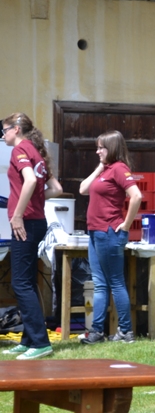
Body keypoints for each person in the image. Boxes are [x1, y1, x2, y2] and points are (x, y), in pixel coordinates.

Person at [1, 113, 62, 360]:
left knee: (21, 284)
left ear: (16, 129)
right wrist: (34, 200)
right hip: (37, 222)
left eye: (4, 129)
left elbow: (29, 180)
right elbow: (56, 189)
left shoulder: (20, 150)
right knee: (26, 281)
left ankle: (40, 342)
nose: (3, 134)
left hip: (25, 223)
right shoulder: (36, 152)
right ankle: (28, 340)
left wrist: (17, 214)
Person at [79, 130, 142, 345]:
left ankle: (126, 331)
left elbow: (136, 196)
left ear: (112, 148)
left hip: (108, 233)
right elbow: (83, 189)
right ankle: (97, 332)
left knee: (115, 282)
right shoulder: (106, 169)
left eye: (101, 148)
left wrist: (126, 225)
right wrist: (100, 166)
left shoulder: (119, 169)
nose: (97, 151)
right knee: (100, 284)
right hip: (95, 233)